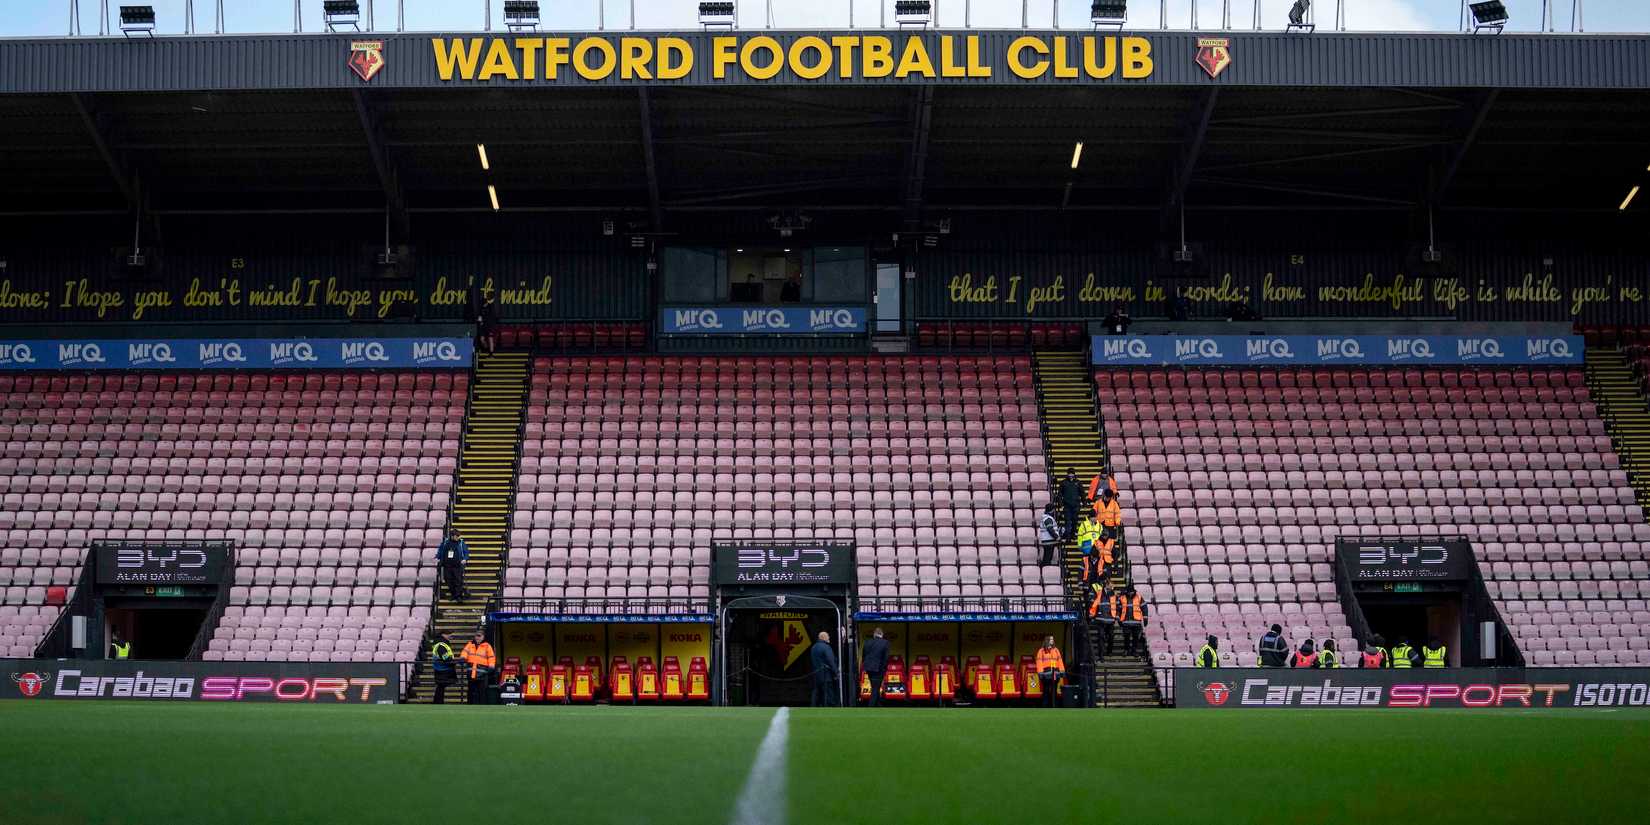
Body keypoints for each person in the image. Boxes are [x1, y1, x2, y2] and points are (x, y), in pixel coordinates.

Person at [461, 630, 496, 704]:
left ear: (483, 637)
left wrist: (491, 666)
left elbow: (491, 657)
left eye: (479, 636)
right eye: (476, 636)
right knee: (470, 691)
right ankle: (470, 704)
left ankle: (482, 705)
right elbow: (464, 652)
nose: (477, 637)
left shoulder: (487, 646)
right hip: (471, 673)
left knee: (482, 691)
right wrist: (463, 658)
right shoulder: (470, 644)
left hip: (482, 673)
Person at [436, 528, 469, 601]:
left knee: (458, 581)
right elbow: (441, 550)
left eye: (458, 536)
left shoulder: (461, 543)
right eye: (456, 536)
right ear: (452, 536)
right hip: (447, 565)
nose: (457, 537)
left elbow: (466, 551)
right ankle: (454, 594)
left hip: (457, 565)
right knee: (448, 580)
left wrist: (465, 559)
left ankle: (458, 596)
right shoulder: (446, 542)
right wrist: (437, 557)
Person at [860, 627, 890, 707]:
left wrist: (865, 666)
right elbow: (885, 658)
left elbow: (864, 656)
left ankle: (878, 704)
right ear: (882, 634)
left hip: (868, 668)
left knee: (875, 686)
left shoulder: (867, 642)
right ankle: (871, 705)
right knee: (876, 688)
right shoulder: (885, 643)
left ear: (874, 634)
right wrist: (884, 669)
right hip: (878, 669)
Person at [1035, 635, 1066, 708]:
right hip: (1046, 675)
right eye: (1051, 639)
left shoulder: (1056, 650)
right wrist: (1040, 673)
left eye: (1053, 639)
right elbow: (1039, 662)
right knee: (1046, 691)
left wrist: (1062, 671)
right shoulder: (1041, 651)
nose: (1052, 640)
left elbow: (1060, 661)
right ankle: (1045, 707)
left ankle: (1054, 707)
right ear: (1047, 640)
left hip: (1055, 674)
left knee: (1054, 691)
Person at [810, 631, 839, 707]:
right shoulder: (826, 647)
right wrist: (836, 672)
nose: (829, 637)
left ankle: (813, 706)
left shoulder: (813, 647)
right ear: (824, 638)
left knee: (816, 692)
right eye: (828, 636)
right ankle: (830, 706)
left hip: (816, 675)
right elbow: (831, 661)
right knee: (828, 693)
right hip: (826, 674)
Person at [1118, 586, 1147, 657]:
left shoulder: (1139, 597)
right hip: (1125, 622)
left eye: (1132, 592)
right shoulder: (1122, 598)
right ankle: (1126, 650)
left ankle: (1134, 651)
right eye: (1129, 592)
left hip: (1136, 622)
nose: (1130, 593)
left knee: (1135, 638)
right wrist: (1119, 619)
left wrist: (1145, 618)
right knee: (1126, 638)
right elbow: (1118, 609)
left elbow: (1144, 608)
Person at [430, 633, 457, 705]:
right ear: (444, 635)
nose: (451, 636)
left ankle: (438, 702)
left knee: (440, 687)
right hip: (442, 669)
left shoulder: (438, 644)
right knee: (440, 687)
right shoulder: (441, 645)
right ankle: (438, 702)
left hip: (439, 668)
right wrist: (454, 662)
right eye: (449, 634)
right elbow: (446, 658)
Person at [1057, 469, 1084, 540]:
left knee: (1075, 520)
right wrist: (1061, 504)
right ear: (1067, 474)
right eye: (1069, 474)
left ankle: (1073, 533)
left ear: (1074, 474)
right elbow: (1059, 494)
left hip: (1076, 505)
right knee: (1067, 521)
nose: (1071, 475)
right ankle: (1068, 535)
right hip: (1067, 506)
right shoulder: (1063, 483)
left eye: (1072, 474)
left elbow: (1082, 493)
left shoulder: (1078, 482)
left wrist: (1084, 502)